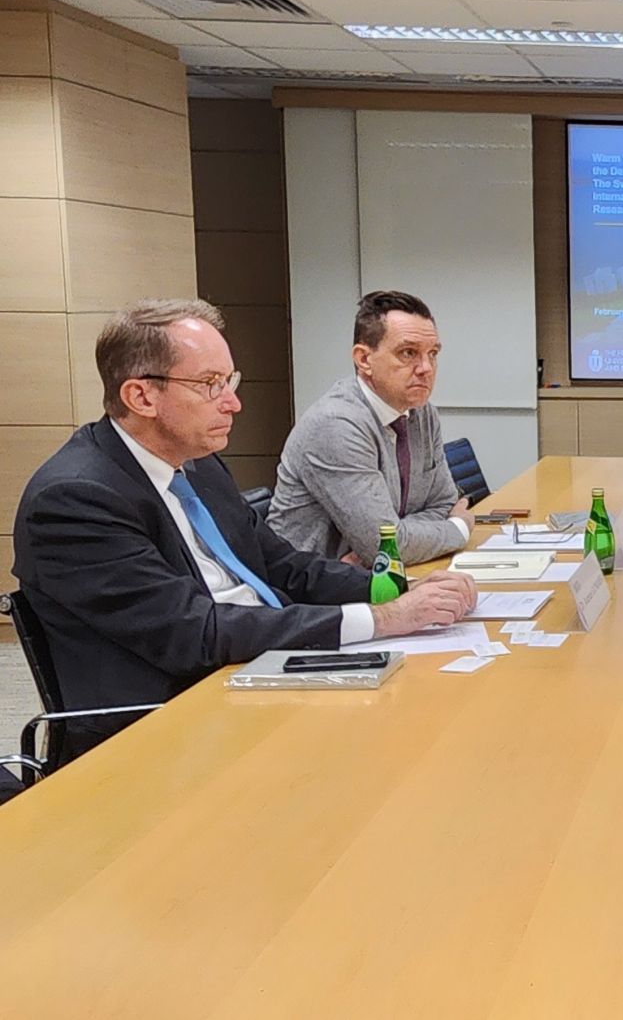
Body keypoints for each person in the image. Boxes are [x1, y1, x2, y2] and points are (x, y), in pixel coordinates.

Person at [11, 300, 475, 760]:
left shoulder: (199, 465)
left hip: (254, 673)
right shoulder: (76, 500)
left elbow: (286, 567)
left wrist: (397, 590)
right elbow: (197, 633)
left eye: (229, 381)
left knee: (434, 722)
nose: (233, 403)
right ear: (141, 397)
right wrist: (386, 619)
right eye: (210, 384)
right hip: (170, 727)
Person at [269, 290, 473, 565]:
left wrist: (398, 540)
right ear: (364, 359)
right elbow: (385, 547)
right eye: (408, 353)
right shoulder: (337, 424)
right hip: (315, 595)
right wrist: (458, 529)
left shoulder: (422, 413)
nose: (426, 368)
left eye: (433, 353)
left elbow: (443, 505)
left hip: (380, 576)